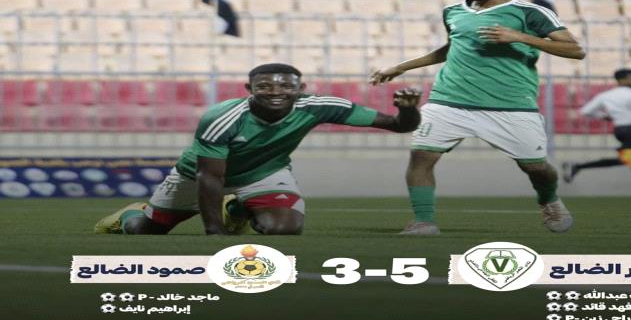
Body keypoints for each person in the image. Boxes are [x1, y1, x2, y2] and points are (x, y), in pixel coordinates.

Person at [370, 0, 586, 235]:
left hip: (511, 105)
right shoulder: (453, 11)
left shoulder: (530, 13)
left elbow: (575, 50)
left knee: (536, 168)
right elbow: (453, 48)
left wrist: (519, 36)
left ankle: (549, 200)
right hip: (449, 100)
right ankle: (423, 221)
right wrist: (401, 67)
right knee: (421, 156)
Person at [95, 63, 422, 235]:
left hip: (265, 173)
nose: (275, 92)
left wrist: (407, 110)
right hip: (197, 177)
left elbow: (399, 126)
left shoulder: (321, 105)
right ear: (248, 89)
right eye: (264, 86)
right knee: (147, 231)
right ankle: (130, 214)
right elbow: (210, 177)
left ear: (300, 88)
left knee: (284, 229)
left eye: (286, 86)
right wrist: (214, 233)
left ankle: (237, 209)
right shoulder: (222, 117)